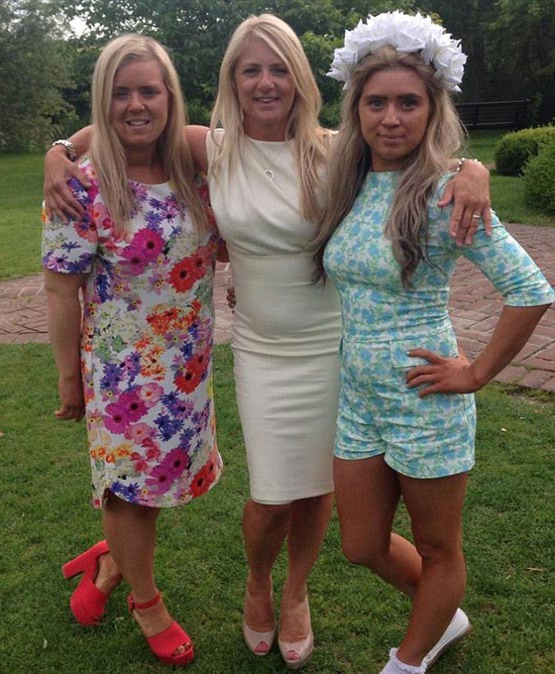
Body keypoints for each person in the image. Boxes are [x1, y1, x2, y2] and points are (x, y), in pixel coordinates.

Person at [43, 14, 491, 670]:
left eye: (279, 68)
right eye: (250, 69)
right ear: (232, 80)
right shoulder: (210, 148)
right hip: (260, 348)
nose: (265, 82)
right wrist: (59, 149)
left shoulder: (339, 150)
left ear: (300, 78)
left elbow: (416, 153)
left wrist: (471, 168)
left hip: (331, 343)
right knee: (272, 496)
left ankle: (295, 592)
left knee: (316, 487)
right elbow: (122, 121)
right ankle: (258, 581)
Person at [316, 11, 555, 674]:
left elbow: (531, 290)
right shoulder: (349, 181)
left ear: (432, 109)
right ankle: (443, 612)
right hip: (360, 398)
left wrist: (475, 373)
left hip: (426, 399)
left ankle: (409, 660)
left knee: (438, 547)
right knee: (361, 544)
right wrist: (65, 148)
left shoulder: (449, 193)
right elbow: (230, 135)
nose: (391, 118)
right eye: (376, 103)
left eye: (408, 103)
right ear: (356, 109)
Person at [42, 34, 223, 667]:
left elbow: (300, 150)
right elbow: (60, 290)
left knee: (159, 483)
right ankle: (147, 603)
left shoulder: (197, 170)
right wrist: (70, 378)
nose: (136, 105)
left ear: (170, 96)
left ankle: (113, 559)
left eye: (149, 90)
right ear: (103, 100)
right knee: (128, 490)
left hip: (188, 368)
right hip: (121, 377)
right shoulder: (82, 187)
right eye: (120, 93)